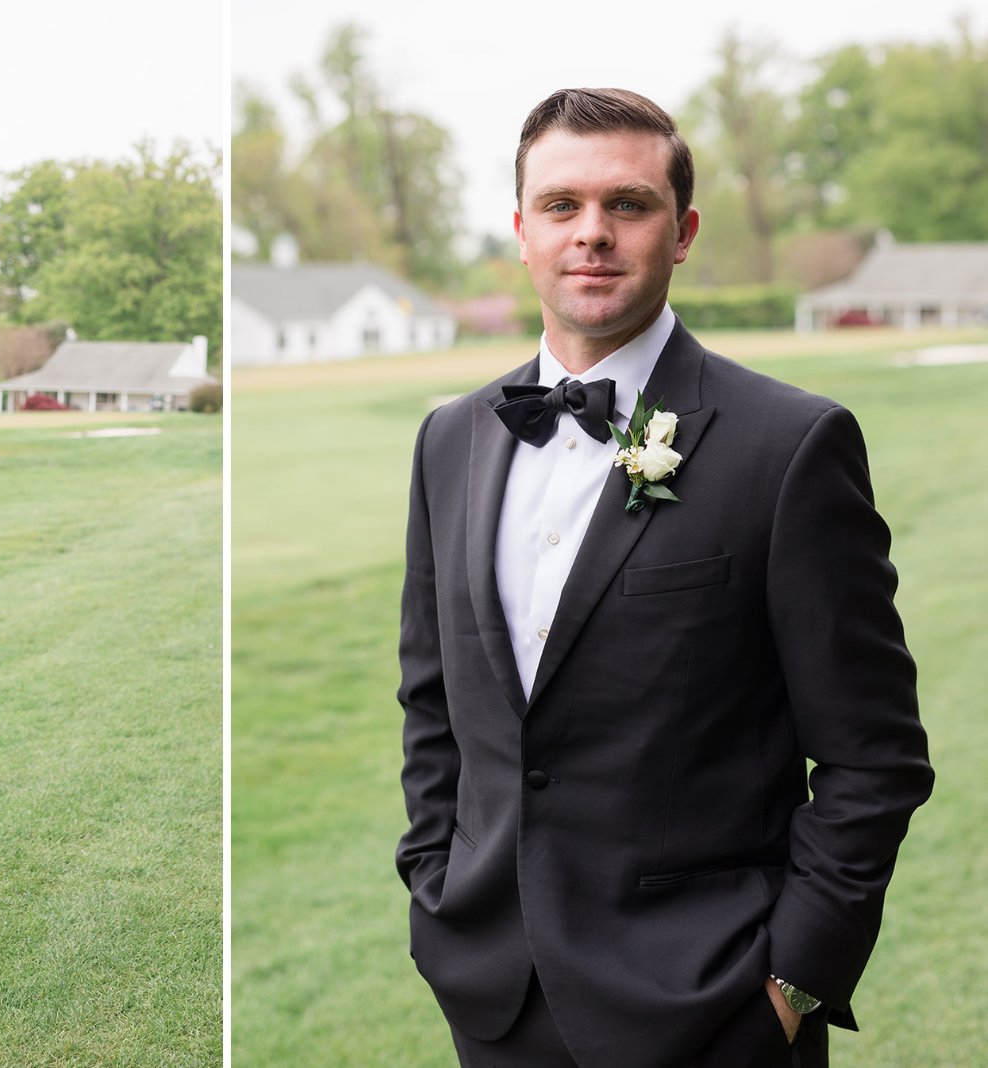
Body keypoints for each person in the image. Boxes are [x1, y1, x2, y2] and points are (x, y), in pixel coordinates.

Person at [396, 88, 932, 1068]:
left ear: (681, 233)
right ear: (521, 231)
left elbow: (874, 757)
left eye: (627, 205)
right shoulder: (450, 441)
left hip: (716, 1011)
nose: (591, 233)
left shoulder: (790, 445)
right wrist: (436, 886)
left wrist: (793, 985)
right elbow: (434, 706)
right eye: (561, 206)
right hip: (496, 1005)